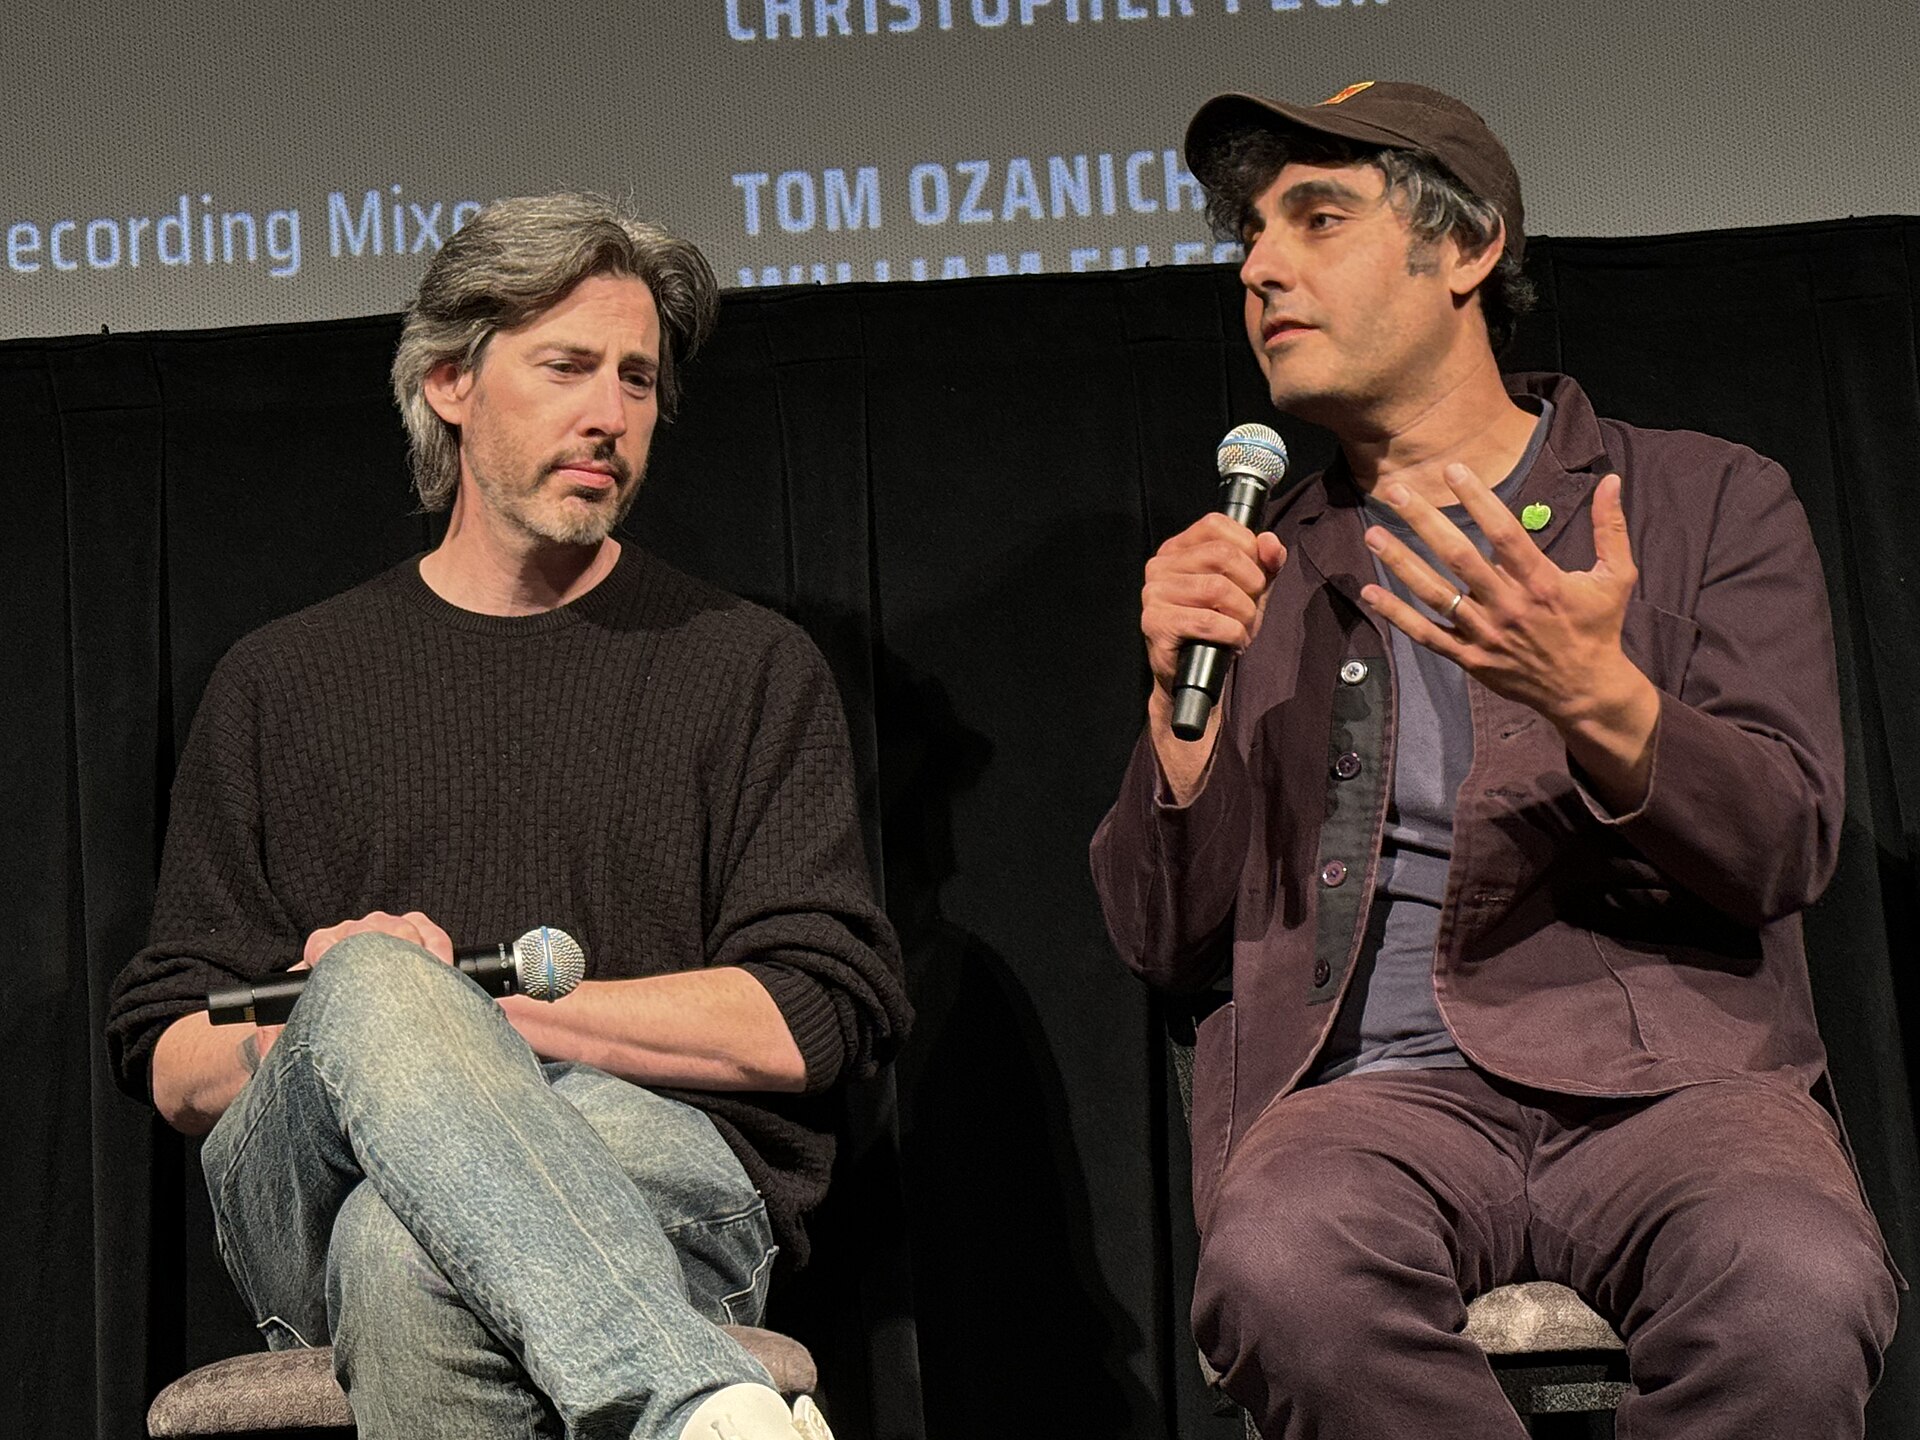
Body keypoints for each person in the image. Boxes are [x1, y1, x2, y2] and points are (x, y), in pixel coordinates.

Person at [1090, 82, 1899, 1438]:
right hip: (1367, 1099)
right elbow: (1165, 940)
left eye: (1319, 219)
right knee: (1281, 1272)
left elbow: (1786, 843)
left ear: (1469, 249)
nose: (1259, 267)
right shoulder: (1264, 568)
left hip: (1674, 1081)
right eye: (1249, 238)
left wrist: (1601, 700)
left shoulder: (1700, 502)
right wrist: (1181, 707)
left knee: (1796, 1289)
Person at [105, 193, 909, 1440]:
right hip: (304, 1195)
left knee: (402, 1242)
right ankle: (703, 1403)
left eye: (638, 380)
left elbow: (811, 1017)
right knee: (373, 984)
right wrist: (375, 1027)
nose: (611, 415)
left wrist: (473, 1022)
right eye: (568, 366)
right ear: (449, 384)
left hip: (658, 1179)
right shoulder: (281, 682)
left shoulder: (745, 666)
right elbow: (173, 1052)